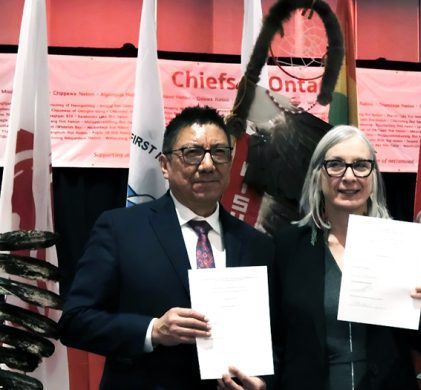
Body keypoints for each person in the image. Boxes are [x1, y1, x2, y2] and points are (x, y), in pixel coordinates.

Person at [59, 105, 274, 390]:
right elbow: (75, 322)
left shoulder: (256, 244)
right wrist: (153, 330)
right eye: (192, 153)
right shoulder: (121, 230)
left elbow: (277, 338)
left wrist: (261, 382)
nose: (208, 165)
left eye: (219, 152)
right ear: (165, 165)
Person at [265, 125, 421, 390]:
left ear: (373, 176)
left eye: (361, 165)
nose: (349, 177)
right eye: (336, 165)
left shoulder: (401, 245)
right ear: (318, 175)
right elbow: (274, 339)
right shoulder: (287, 246)